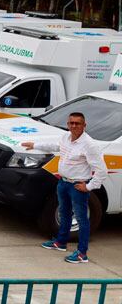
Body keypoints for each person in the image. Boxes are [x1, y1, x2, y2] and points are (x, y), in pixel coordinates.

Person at [24, 111, 106, 264]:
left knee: (82, 220)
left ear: (84, 125)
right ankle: (61, 242)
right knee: (64, 213)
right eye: (71, 123)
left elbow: (102, 170)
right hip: (63, 183)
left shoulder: (90, 145)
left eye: (77, 123)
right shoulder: (66, 137)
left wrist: (89, 187)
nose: (73, 126)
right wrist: (35, 145)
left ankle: (82, 254)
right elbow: (55, 145)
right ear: (68, 124)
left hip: (77, 186)